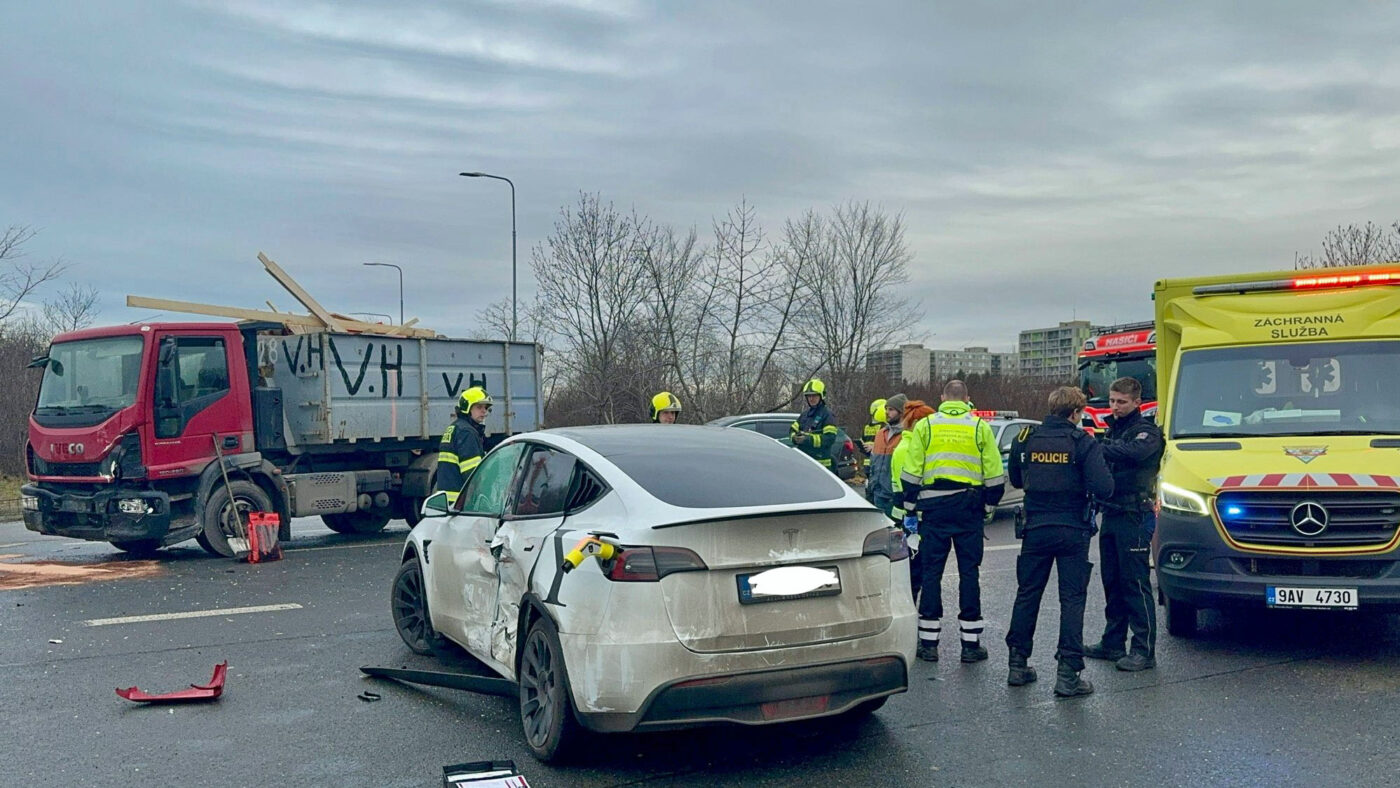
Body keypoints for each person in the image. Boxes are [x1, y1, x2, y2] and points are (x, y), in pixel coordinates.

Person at [1004, 386, 1114, 697]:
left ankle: (1017, 664)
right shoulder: (1082, 442)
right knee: (1072, 600)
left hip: (1035, 527)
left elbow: (1016, 479)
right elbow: (1104, 487)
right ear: (1076, 413)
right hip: (1072, 529)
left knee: (1027, 595)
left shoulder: (1026, 438)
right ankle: (1068, 675)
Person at [900, 379, 1004, 663]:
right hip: (969, 509)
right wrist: (989, 505)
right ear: (967, 399)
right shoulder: (979, 427)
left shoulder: (926, 426)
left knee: (931, 573)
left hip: (934, 510)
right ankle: (970, 645)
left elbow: (911, 472)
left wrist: (910, 507)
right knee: (969, 573)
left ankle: (929, 644)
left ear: (943, 398)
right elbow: (994, 473)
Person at [1086, 376, 1165, 672]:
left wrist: (1097, 448)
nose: (1115, 407)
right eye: (1112, 401)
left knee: (1135, 584)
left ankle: (1144, 650)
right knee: (1113, 582)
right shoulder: (1113, 430)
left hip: (1134, 514)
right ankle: (1113, 642)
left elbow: (1135, 453)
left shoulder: (1146, 432)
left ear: (1136, 402)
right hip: (1112, 512)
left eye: (1121, 402)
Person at [889, 397, 931, 601]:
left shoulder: (909, 445)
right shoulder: (908, 449)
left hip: (909, 516)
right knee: (914, 569)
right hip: (910, 518)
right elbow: (906, 489)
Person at [435, 386, 492, 505]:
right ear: (467, 408)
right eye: (479, 407)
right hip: (462, 502)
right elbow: (473, 474)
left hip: (449, 501)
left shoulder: (454, 428)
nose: (484, 411)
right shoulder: (467, 432)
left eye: (486, 408)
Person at [867, 394, 907, 517]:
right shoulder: (880, 434)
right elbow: (874, 462)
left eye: (891, 409)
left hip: (895, 496)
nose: (886, 413)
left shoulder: (907, 435)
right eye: (886, 409)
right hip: (878, 493)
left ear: (901, 412)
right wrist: (871, 485)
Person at [789, 378, 840, 474]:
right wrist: (794, 438)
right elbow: (792, 430)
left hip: (821, 467)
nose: (811, 399)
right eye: (809, 396)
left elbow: (830, 438)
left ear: (821, 396)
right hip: (804, 464)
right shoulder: (804, 415)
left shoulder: (827, 415)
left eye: (814, 396)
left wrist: (808, 439)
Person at [862, 398, 886, 491]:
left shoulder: (866, 427)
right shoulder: (884, 427)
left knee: (870, 488)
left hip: (867, 463)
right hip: (878, 462)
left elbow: (863, 440)